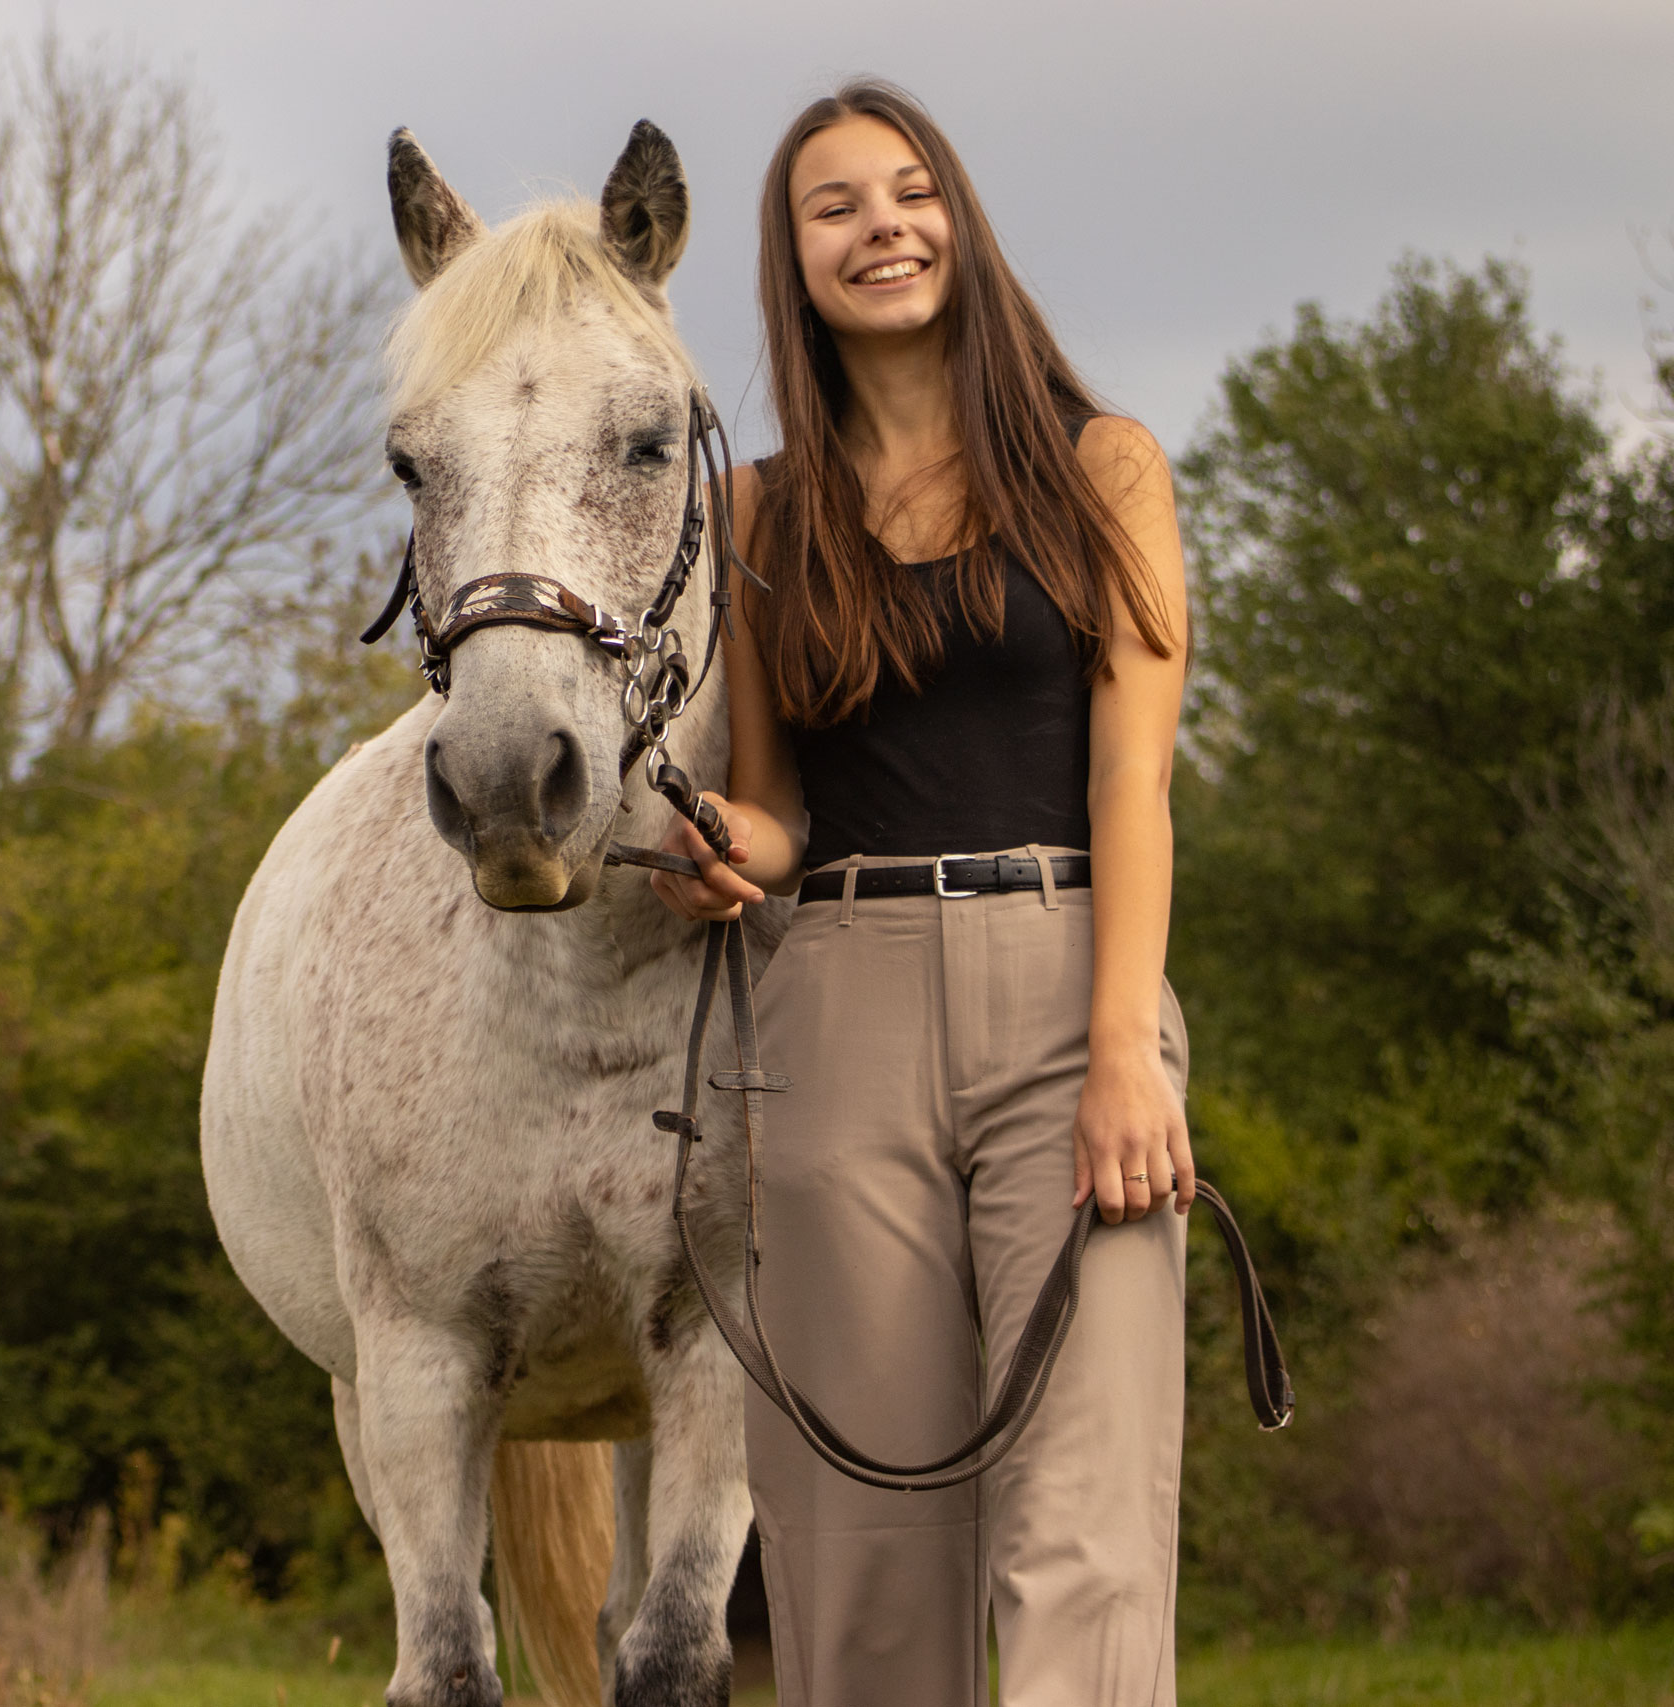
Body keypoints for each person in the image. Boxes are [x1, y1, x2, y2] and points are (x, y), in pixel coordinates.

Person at [650, 79, 1194, 1706]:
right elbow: (781, 812)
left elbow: (1134, 782)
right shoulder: (757, 512)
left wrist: (1123, 1056)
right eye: (836, 207)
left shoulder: (1103, 467)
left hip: (1070, 986)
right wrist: (713, 847)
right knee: (860, 1541)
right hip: (839, 1009)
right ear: (795, 263)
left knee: (1084, 1530)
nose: (881, 226)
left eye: (909, 191)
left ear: (958, 220)